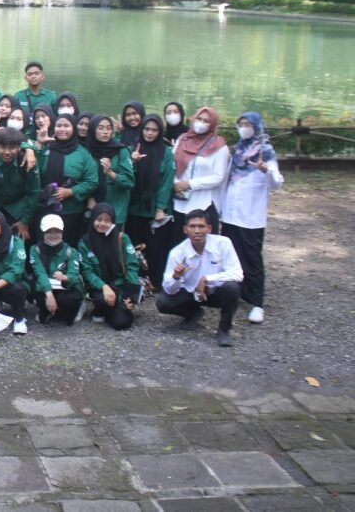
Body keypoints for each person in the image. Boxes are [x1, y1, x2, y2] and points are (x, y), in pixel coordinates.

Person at [221, 111, 283, 324]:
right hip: (230, 214)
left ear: (256, 127)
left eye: (248, 124)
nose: (244, 128)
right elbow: (227, 181)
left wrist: (266, 170)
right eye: (241, 124)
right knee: (231, 254)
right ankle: (234, 292)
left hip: (251, 216)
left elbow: (277, 183)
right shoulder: (237, 150)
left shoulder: (265, 151)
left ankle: (257, 303)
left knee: (252, 258)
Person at [157, 209, 243, 346]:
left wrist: (207, 279)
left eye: (201, 226)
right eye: (192, 226)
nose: (197, 231)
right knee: (163, 302)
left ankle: (224, 329)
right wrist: (176, 277)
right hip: (191, 294)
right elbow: (169, 290)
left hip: (215, 292)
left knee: (232, 288)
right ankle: (193, 313)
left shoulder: (223, 243)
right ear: (185, 229)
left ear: (209, 228)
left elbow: (237, 273)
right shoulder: (177, 252)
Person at [126, 115, 175, 290]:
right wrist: (132, 162)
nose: (150, 133)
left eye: (154, 130)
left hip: (155, 208)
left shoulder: (166, 152)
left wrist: (161, 207)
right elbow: (125, 177)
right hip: (134, 207)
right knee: (134, 246)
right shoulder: (132, 149)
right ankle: (136, 281)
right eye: (147, 129)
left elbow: (167, 181)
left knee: (156, 248)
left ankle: (155, 281)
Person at [37, 113, 98, 247]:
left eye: (66, 126)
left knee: (68, 245)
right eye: (59, 125)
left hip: (71, 211)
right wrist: (39, 144)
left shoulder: (82, 153)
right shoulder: (47, 147)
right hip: (44, 208)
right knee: (44, 245)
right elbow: (33, 171)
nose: (62, 129)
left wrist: (70, 192)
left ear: (73, 128)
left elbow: (92, 181)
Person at [79, 203, 143, 330]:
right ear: (93, 219)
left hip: (120, 285)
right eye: (99, 219)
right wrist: (104, 286)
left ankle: (114, 309)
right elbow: (87, 272)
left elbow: (132, 266)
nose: (102, 224)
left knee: (121, 323)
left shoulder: (122, 238)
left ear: (113, 222)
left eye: (107, 220)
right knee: (103, 300)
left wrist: (129, 295)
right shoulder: (84, 242)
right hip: (99, 287)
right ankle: (102, 309)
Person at [171, 106, 229, 238]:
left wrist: (189, 184)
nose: (201, 123)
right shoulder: (182, 140)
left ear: (213, 124)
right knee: (176, 243)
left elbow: (218, 177)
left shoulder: (219, 147)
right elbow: (171, 165)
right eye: (199, 119)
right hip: (179, 201)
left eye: (206, 121)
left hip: (203, 203)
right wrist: (175, 183)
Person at [29, 214, 85, 326]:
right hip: (46, 287)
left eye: (57, 231)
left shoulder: (71, 251)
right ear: (43, 232)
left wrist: (65, 277)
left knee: (68, 317)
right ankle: (48, 309)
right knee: (41, 316)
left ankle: (78, 307)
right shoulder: (35, 250)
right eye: (49, 231)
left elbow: (74, 275)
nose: (53, 235)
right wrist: (49, 295)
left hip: (66, 288)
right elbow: (40, 273)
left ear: (62, 232)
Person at [85, 114, 135, 226]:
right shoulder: (87, 151)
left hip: (116, 210)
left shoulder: (121, 150)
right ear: (93, 130)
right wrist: (89, 198)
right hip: (93, 208)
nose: (105, 132)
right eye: (101, 128)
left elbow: (129, 181)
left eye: (108, 128)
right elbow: (82, 178)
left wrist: (110, 173)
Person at [13, 62, 57, 136]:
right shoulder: (18, 96)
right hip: (24, 135)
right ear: (25, 78)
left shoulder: (51, 96)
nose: (33, 76)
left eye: (37, 73)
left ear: (42, 76)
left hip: (46, 134)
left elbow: (56, 118)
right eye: (30, 74)